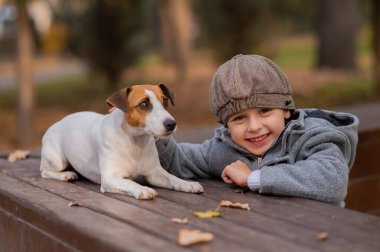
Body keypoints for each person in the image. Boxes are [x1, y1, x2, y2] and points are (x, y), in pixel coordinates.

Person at [157, 54, 359, 207]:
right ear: (226, 126)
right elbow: (176, 159)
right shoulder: (222, 149)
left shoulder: (311, 137)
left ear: (286, 110)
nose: (254, 127)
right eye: (239, 118)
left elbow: (333, 180)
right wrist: (150, 129)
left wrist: (252, 177)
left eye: (265, 111)